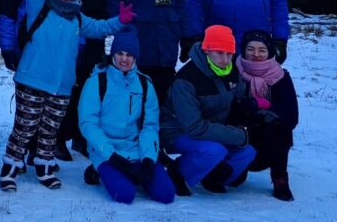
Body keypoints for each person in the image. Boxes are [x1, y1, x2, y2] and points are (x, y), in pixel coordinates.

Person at [0, 0, 135, 191]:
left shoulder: (77, 17)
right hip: (32, 80)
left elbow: (99, 28)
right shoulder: (39, 7)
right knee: (25, 128)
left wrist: (119, 21)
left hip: (62, 86)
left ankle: (44, 167)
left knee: (50, 130)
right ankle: (10, 168)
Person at [77, 28, 175, 204]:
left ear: (135, 57)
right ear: (113, 54)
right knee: (125, 195)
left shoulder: (145, 84)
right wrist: (112, 156)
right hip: (106, 150)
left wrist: (148, 159)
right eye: (120, 53)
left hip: (135, 148)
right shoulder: (97, 82)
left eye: (129, 55)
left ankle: (134, 172)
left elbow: (150, 125)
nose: (124, 59)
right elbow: (88, 124)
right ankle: (97, 170)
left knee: (166, 194)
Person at [160, 25, 256, 196]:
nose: (225, 59)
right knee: (214, 151)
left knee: (247, 152)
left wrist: (256, 115)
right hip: (177, 131)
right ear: (207, 50)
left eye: (229, 54)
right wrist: (238, 135)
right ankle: (178, 172)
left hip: (213, 129)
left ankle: (211, 176)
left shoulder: (232, 71)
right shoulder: (186, 80)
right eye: (219, 53)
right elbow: (195, 127)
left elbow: (240, 102)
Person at [57, 0, 113, 159]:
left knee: (88, 86)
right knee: (63, 85)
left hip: (93, 31)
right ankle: (58, 137)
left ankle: (81, 136)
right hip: (64, 28)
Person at [234, 30, 299, 201]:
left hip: (269, 141)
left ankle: (280, 179)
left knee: (280, 127)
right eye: (250, 49)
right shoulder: (232, 72)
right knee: (234, 182)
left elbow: (292, 117)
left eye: (262, 50)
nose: (256, 54)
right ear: (243, 50)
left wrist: (266, 107)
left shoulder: (281, 77)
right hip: (240, 136)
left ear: (269, 52)